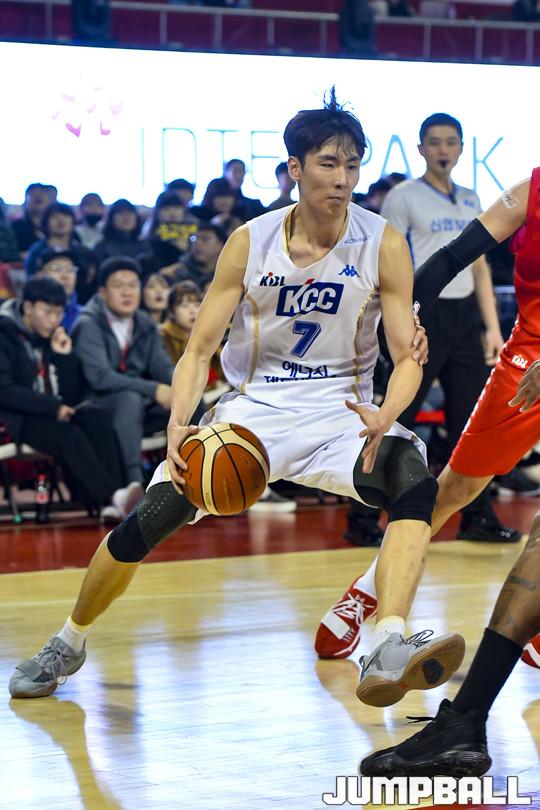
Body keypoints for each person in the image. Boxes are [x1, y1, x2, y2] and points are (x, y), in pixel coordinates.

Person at [8, 93, 462, 708]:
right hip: (252, 413)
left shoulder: (381, 241)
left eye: (353, 165)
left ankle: (388, 641)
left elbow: (409, 355)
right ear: (295, 168)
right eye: (329, 163)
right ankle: (68, 640)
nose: (343, 178)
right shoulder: (251, 241)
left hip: (341, 413)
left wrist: (388, 413)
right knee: (149, 520)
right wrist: (179, 424)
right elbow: (198, 350)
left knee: (412, 479)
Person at [360, 168, 540, 775]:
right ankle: (464, 722)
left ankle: (465, 721)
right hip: (525, 356)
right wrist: (408, 310)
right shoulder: (533, 187)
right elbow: (459, 252)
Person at [343, 112, 518, 558]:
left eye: (451, 142)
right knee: (397, 415)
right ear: (420, 148)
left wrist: (492, 328)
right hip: (420, 313)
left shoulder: (471, 197)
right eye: (435, 142)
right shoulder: (403, 196)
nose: (443, 150)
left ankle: (477, 517)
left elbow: (480, 268)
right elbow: (387, 259)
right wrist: (398, 318)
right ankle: (361, 517)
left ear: (461, 148)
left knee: (469, 423)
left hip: (465, 318)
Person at [0, 276, 142, 520]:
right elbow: (4, 391)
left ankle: (115, 497)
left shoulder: (52, 337)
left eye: (58, 313)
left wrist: (64, 357)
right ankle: (112, 497)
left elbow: (71, 396)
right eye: (47, 312)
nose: (53, 320)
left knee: (96, 418)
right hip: (17, 419)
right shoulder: (4, 334)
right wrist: (53, 408)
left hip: (52, 411)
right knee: (67, 434)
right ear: (28, 307)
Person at [72, 256, 174, 486]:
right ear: (102, 292)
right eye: (118, 286)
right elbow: (100, 378)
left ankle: (202, 474)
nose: (127, 292)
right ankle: (133, 483)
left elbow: (161, 367)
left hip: (138, 400)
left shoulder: (144, 323)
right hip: (97, 403)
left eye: (133, 285)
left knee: (187, 396)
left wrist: (182, 386)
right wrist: (154, 389)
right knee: (129, 398)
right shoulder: (88, 324)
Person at [37, 248, 82, 333]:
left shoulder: (84, 315)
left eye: (70, 269)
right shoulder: (31, 314)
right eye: (57, 269)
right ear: (40, 274)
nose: (65, 275)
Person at [173, 224, 227, 290]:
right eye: (194, 239)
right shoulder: (177, 274)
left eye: (205, 239)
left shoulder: (231, 274)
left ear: (220, 244)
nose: (197, 243)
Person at [93, 199, 144, 266]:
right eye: (120, 213)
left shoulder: (145, 246)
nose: (126, 217)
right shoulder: (101, 247)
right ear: (111, 218)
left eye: (130, 212)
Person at [11, 183, 50, 255]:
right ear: (25, 200)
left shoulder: (53, 226)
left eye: (42, 194)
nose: (38, 196)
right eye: (33, 194)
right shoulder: (16, 226)